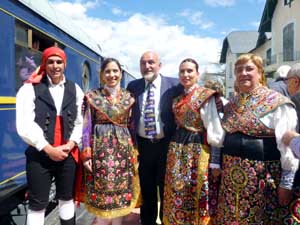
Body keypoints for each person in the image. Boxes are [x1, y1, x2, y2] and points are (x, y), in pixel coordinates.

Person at [215, 53, 299, 224]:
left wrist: (287, 183)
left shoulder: (277, 103)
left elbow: (287, 146)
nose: (243, 73)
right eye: (239, 70)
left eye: (249, 69)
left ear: (260, 73)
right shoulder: (231, 104)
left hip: (263, 181)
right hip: (231, 181)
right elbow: (220, 136)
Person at [16, 46, 84, 225]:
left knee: (66, 198)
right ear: (44, 64)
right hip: (39, 154)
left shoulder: (75, 89)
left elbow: (80, 121)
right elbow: (24, 124)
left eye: (59, 62)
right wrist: (48, 149)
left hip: (67, 153)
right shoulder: (29, 89)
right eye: (50, 61)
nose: (55, 66)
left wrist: (70, 145)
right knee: (37, 204)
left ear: (65, 64)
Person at [163, 58, 224, 225]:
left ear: (197, 74)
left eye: (190, 71)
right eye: (182, 71)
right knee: (177, 192)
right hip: (177, 150)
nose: (186, 74)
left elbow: (214, 129)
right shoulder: (177, 99)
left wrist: (215, 161)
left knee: (197, 191)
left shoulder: (205, 96)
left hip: (198, 149)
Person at [81, 58, 140, 225]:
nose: (111, 75)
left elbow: (133, 126)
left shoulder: (130, 98)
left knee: (121, 198)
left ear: (121, 74)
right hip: (100, 153)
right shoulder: (93, 97)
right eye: (107, 71)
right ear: (101, 74)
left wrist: (135, 152)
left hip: (124, 153)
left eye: (115, 71)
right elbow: (87, 126)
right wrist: (87, 153)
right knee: (101, 198)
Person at [127, 51, 183, 225]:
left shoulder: (175, 85)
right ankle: (148, 221)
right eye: (143, 63)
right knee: (147, 189)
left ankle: (166, 221)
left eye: (151, 62)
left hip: (166, 145)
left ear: (160, 65)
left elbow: (195, 93)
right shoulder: (133, 86)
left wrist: (218, 99)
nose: (147, 66)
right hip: (143, 147)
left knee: (166, 189)